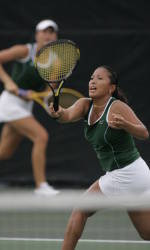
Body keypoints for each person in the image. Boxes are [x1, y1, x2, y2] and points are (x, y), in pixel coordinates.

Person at [49, 65, 150, 249]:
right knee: (146, 233)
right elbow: (67, 115)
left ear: (111, 88)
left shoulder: (117, 107)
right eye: (91, 77)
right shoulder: (84, 105)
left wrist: (126, 124)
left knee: (80, 210)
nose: (93, 81)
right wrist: (58, 113)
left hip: (126, 173)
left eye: (99, 78)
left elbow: (143, 133)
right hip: (136, 175)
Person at [0, 19, 60, 196]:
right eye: (44, 32)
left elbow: (50, 90)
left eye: (52, 32)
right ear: (37, 35)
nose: (48, 35)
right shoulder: (25, 50)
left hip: (27, 106)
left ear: (56, 37)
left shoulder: (55, 62)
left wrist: (51, 98)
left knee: (4, 152)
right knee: (41, 136)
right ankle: (41, 186)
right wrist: (9, 83)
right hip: (9, 103)